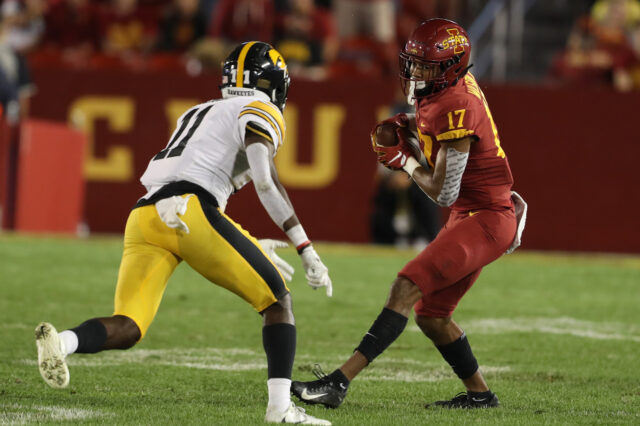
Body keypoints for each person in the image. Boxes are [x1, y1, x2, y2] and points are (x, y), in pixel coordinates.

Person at [35, 41, 332, 425]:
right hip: (191, 212)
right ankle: (280, 409)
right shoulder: (261, 108)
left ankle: (62, 342)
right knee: (277, 301)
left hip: (146, 215)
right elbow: (264, 181)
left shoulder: (199, 110)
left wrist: (245, 241)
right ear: (272, 82)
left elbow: (191, 178)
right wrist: (305, 247)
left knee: (129, 326)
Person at [291, 18, 527, 409]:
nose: (415, 71)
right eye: (413, 62)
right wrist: (413, 127)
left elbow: (443, 191)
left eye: (425, 66)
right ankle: (481, 395)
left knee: (406, 285)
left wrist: (405, 160)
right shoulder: (446, 88)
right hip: (476, 211)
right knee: (432, 315)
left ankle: (338, 383)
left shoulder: (457, 104)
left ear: (450, 67)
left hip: (484, 216)